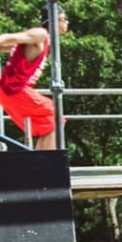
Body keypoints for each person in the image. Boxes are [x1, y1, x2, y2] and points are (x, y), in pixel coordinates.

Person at [0, 5, 68, 150]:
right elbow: (6, 38)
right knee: (56, 116)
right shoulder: (40, 34)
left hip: (11, 91)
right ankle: (42, 164)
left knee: (50, 124)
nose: (67, 23)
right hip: (14, 88)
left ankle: (39, 163)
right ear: (54, 20)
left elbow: (11, 46)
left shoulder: (45, 40)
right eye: (64, 19)